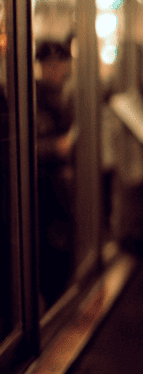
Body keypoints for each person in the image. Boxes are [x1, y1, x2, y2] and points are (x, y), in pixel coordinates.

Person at [35, 39, 77, 308]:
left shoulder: (69, 95)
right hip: (41, 193)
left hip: (63, 193)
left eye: (60, 63)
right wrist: (55, 148)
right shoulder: (29, 98)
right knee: (50, 263)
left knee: (64, 261)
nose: (56, 70)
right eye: (49, 64)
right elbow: (18, 149)